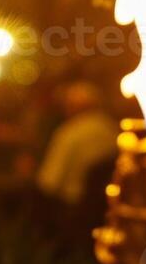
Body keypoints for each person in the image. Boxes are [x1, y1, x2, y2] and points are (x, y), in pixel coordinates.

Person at [35, 80, 121, 236]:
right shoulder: (114, 131)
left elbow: (49, 182)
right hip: (108, 212)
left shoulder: (69, 133)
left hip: (73, 213)